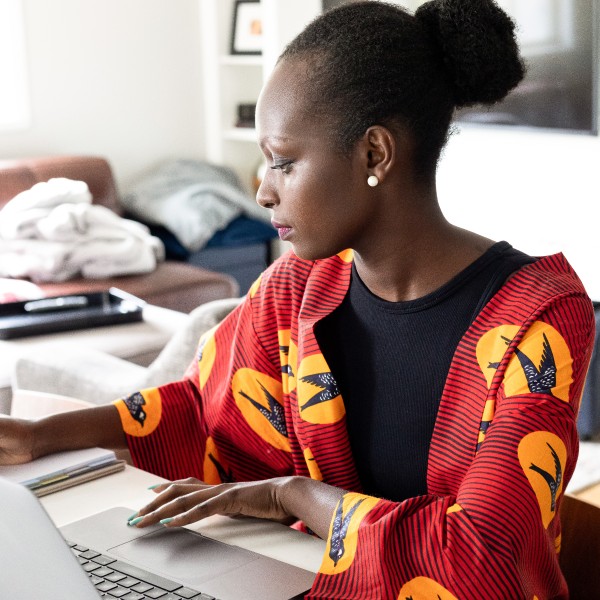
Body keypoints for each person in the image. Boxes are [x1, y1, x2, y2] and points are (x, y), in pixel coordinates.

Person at [0, 1, 595, 598]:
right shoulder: (295, 292)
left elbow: (483, 558)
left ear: (374, 154)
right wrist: (40, 436)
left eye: (282, 162)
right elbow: (200, 410)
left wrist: (293, 493)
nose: (261, 190)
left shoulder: (537, 315)